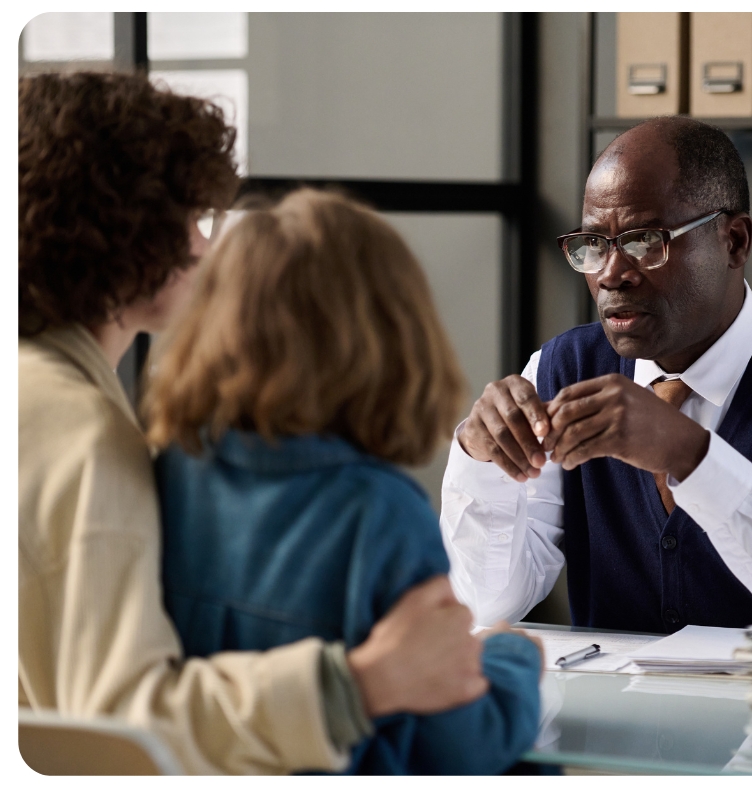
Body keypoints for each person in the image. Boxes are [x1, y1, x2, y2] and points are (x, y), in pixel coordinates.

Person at [19, 71, 491, 776]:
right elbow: (115, 728)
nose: (205, 248)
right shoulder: (85, 436)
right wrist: (358, 683)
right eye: (192, 217)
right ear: (131, 227)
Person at [440, 115, 752, 633]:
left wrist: (692, 457)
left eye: (646, 240)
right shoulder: (562, 370)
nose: (610, 274)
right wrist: (480, 462)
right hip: (612, 713)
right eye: (593, 245)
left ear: (734, 241)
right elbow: (484, 604)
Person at [143, 188, 543, 775]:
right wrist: (512, 659)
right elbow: (459, 749)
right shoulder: (379, 513)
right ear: (393, 332)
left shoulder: (167, 473)